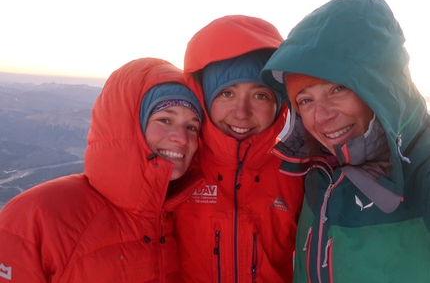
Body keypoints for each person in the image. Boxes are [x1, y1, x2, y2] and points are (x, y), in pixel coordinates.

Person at [260, 0, 430, 282]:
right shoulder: (316, 173)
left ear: (382, 86)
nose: (321, 115)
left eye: (338, 89)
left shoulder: (422, 174)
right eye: (305, 99)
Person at [0, 58, 204, 282]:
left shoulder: (184, 215)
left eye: (192, 126)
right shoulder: (37, 216)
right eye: (165, 119)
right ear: (126, 128)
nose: (183, 138)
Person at [172, 15, 304, 283]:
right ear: (203, 97)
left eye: (260, 95)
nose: (241, 113)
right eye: (226, 93)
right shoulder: (177, 166)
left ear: (280, 105)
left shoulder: (298, 174)